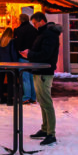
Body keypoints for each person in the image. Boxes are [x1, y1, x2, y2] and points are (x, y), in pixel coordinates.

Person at [23, 12, 62, 146]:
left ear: (41, 21)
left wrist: (30, 54)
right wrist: (30, 53)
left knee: (46, 102)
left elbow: (45, 54)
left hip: (44, 72)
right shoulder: (44, 33)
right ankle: (45, 129)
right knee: (42, 101)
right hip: (39, 71)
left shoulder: (49, 35)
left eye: (34, 23)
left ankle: (51, 133)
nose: (34, 26)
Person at [13, 13, 38, 103]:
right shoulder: (34, 30)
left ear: (20, 20)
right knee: (32, 78)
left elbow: (17, 44)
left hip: (23, 56)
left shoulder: (19, 30)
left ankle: (26, 97)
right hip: (33, 56)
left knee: (25, 78)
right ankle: (33, 97)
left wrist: (19, 50)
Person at [0, 27, 16, 105]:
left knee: (0, 81)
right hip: (9, 64)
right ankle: (10, 100)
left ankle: (2, 98)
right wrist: (15, 63)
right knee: (10, 82)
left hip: (0, 63)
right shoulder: (11, 41)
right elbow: (12, 53)